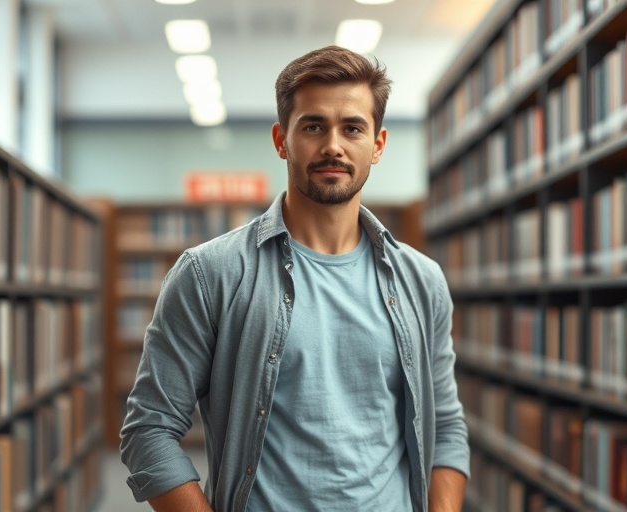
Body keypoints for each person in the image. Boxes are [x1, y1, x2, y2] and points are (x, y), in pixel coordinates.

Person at [120, 45, 469, 511]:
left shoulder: (422, 281)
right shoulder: (211, 274)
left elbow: (444, 425)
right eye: (312, 126)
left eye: (352, 128)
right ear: (281, 140)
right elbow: (149, 428)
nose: (333, 145)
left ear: (378, 145)